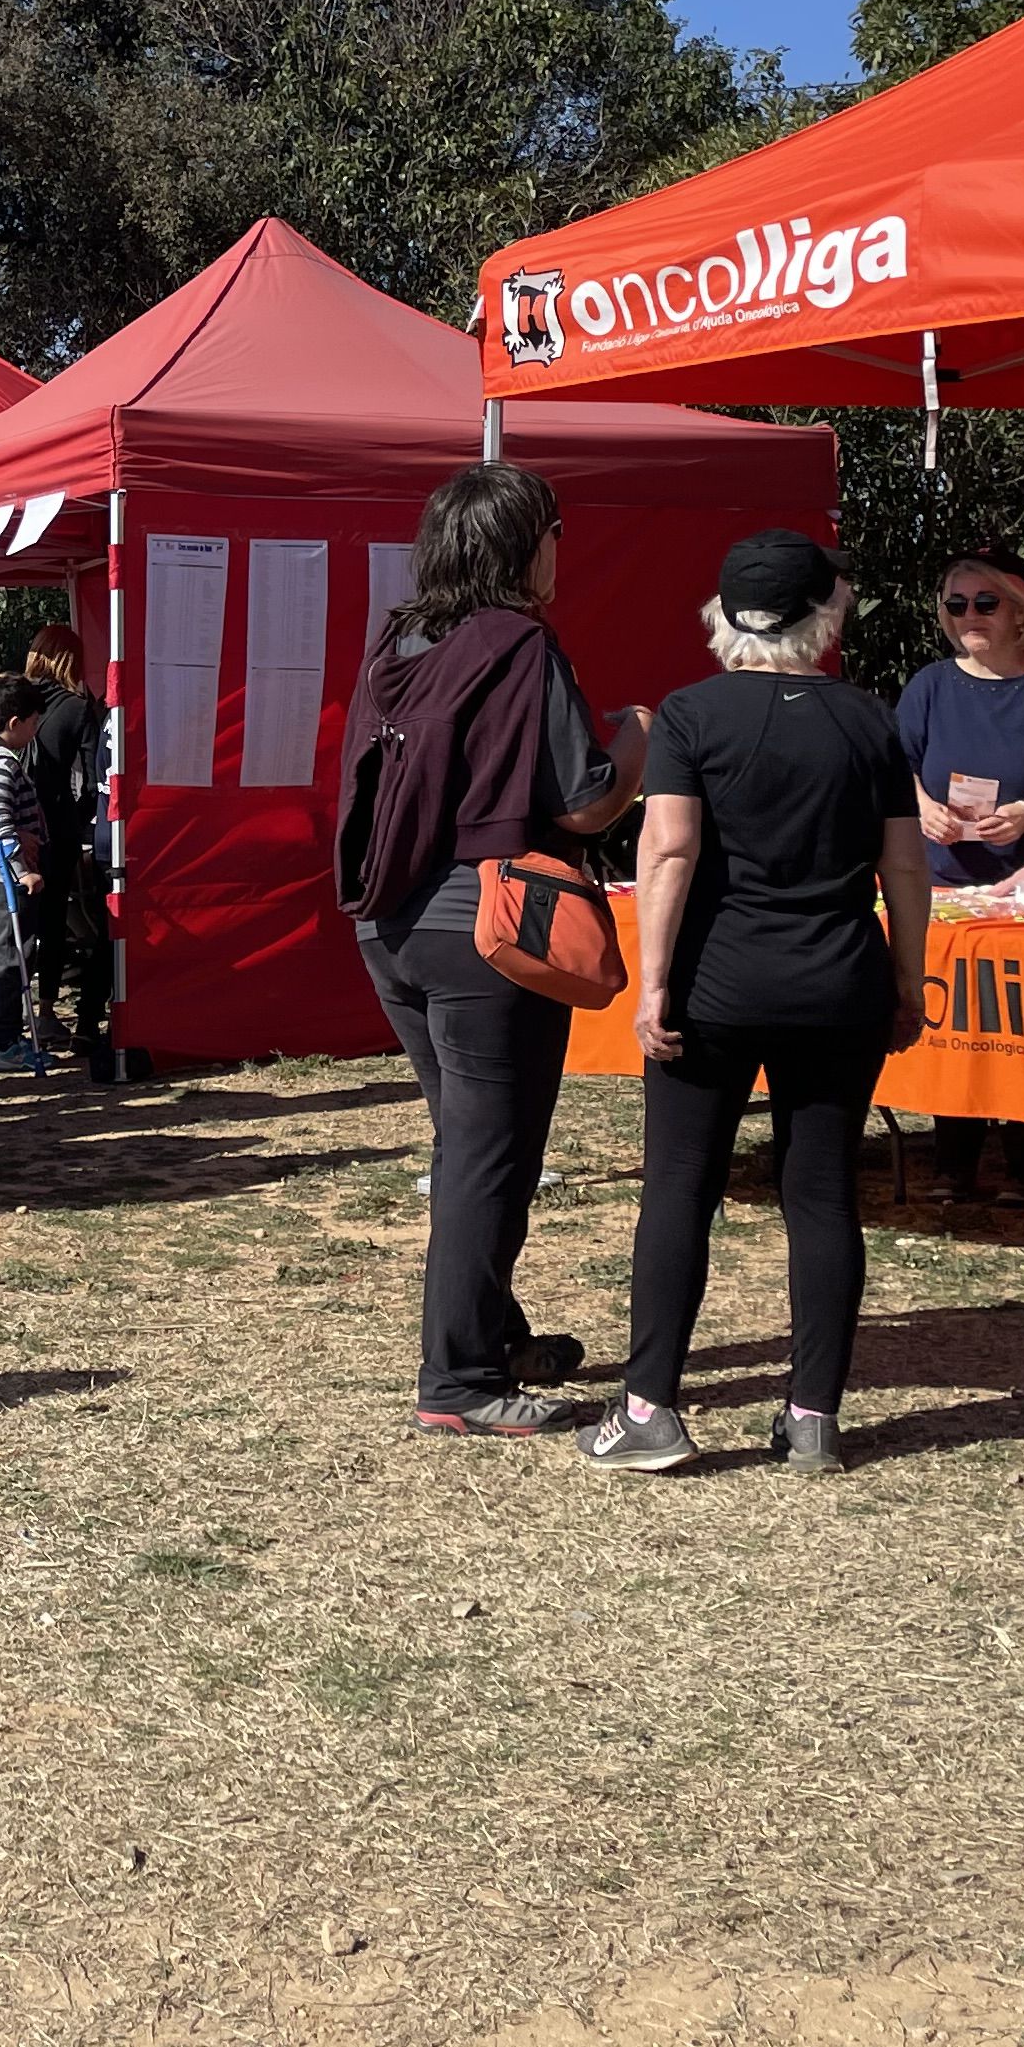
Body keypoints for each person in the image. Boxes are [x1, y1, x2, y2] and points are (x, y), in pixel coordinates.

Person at [578, 535, 932, 1476]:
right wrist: (908, 978)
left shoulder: (691, 715)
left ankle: (651, 1408)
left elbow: (669, 853)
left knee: (680, 1189)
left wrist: (652, 984)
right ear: (827, 616)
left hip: (715, 987)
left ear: (722, 616)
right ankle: (813, 1414)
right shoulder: (868, 719)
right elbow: (904, 862)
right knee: (820, 1194)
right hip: (840, 982)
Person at [338, 462, 647, 1439]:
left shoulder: (400, 640)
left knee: (472, 1148)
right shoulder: (518, 644)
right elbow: (586, 798)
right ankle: (460, 1378)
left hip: (391, 927)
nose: (563, 548)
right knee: (487, 1158)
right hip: (488, 933)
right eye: (554, 531)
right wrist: (641, 738)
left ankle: (493, 1333)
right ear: (522, 544)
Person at [897, 547, 1024, 1207]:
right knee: (958, 1021)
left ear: (1019, 610)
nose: (969, 616)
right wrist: (923, 806)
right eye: (957, 604)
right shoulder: (931, 685)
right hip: (944, 883)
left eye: (984, 603)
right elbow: (898, 766)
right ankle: (954, 1163)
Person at [22, 626, 114, 1080]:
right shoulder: (77, 708)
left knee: (10, 921)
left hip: (3, 823)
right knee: (54, 920)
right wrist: (77, 820)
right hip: (53, 826)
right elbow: (97, 774)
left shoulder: (5, 694)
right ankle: (46, 1009)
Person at [0, 676, 54, 1071]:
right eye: (34, 721)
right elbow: (0, 823)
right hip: (7, 879)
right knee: (11, 956)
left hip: (8, 875)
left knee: (15, 954)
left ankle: (7, 1034)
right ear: (16, 722)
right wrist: (21, 871)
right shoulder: (2, 764)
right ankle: (3, 1039)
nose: (37, 729)